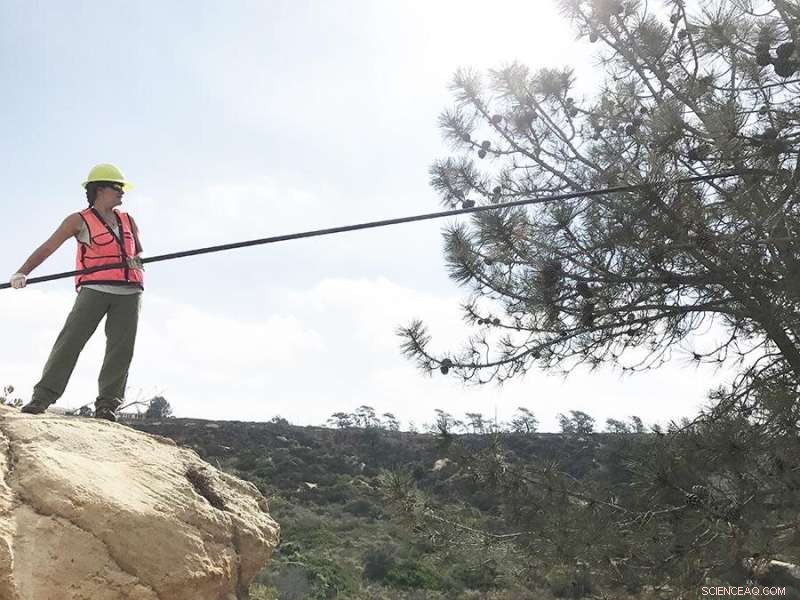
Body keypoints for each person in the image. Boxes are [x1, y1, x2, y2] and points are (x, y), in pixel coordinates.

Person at [9, 164, 145, 421]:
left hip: (130, 292)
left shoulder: (128, 219)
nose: (122, 193)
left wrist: (137, 261)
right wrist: (22, 272)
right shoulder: (78, 220)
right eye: (118, 188)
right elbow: (48, 247)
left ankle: (107, 405)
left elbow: (138, 252)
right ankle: (43, 397)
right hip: (94, 289)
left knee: (121, 350)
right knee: (70, 341)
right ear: (100, 189)